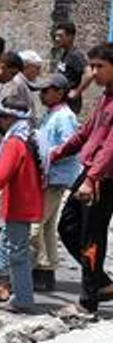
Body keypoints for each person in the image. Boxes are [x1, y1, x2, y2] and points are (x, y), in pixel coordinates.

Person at [50, 43, 113, 316]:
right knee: (68, 227)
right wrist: (57, 152)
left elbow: (110, 147)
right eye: (92, 66)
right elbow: (87, 132)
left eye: (100, 67)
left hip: (103, 177)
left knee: (91, 236)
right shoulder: (105, 97)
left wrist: (92, 178)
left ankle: (88, 303)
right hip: (90, 172)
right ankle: (102, 283)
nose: (94, 72)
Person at [0, 96, 44, 314]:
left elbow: (1, 176)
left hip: (19, 204)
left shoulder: (13, 142)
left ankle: (23, 299)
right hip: (25, 201)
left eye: (2, 116)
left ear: (12, 118)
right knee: (13, 248)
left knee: (17, 254)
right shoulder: (25, 137)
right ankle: (14, 292)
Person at [32, 73, 80, 292]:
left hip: (56, 177)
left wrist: (48, 155)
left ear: (60, 93)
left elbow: (70, 146)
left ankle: (40, 267)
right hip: (49, 175)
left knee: (36, 224)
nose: (41, 95)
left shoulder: (64, 117)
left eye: (45, 91)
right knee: (47, 226)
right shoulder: (51, 115)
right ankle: (47, 269)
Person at [53, 21, 91, 114]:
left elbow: (89, 74)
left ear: (70, 37)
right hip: (61, 102)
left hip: (69, 104)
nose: (57, 39)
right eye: (56, 36)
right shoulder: (66, 53)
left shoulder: (76, 54)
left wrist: (77, 92)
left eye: (60, 36)